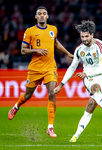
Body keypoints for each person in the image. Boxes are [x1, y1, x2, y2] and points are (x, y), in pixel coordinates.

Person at [8, 6, 73, 138]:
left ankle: (50, 127)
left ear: (47, 16)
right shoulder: (30, 31)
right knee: (27, 95)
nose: (42, 15)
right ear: (36, 17)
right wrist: (36, 50)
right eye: (40, 14)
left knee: (52, 93)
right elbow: (23, 50)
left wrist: (67, 53)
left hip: (50, 67)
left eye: (44, 13)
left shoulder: (53, 29)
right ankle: (16, 106)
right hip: (35, 69)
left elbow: (55, 43)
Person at [54, 20, 102, 142]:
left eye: (86, 36)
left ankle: (77, 133)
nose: (84, 39)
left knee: (90, 106)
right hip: (89, 79)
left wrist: (86, 73)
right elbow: (72, 68)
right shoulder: (79, 50)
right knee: (95, 88)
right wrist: (61, 85)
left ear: (92, 35)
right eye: (82, 36)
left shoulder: (101, 46)